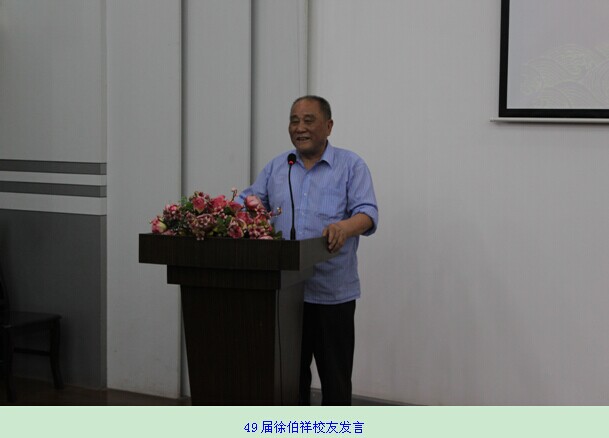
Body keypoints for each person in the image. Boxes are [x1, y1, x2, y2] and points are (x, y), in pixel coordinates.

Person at [239, 95, 378, 405]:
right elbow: (249, 202)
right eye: (294, 120)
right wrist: (222, 214)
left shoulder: (350, 165)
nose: (299, 127)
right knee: (289, 382)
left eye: (308, 120)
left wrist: (344, 227)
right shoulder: (279, 166)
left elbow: (368, 213)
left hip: (332, 294)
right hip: (286, 295)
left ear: (328, 126)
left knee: (335, 381)